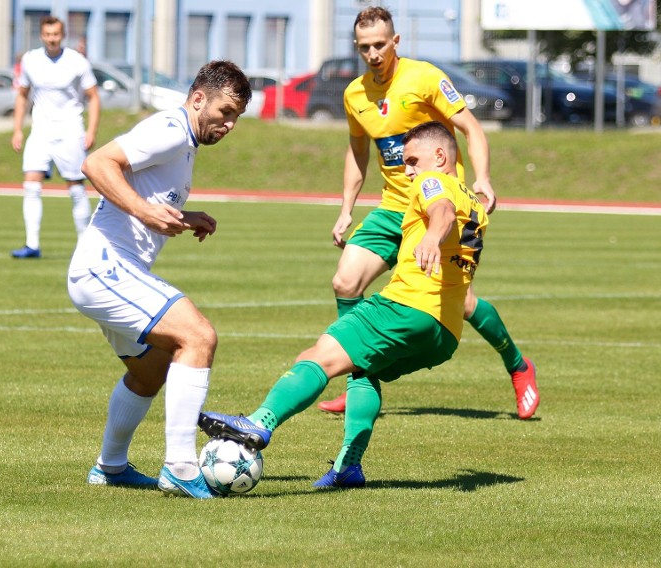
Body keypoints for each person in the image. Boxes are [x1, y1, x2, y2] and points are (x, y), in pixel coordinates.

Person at [198, 121, 488, 488]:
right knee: (363, 371)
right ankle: (348, 466)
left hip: (406, 307)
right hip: (444, 333)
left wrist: (431, 237)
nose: (408, 170)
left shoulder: (436, 183)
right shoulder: (473, 202)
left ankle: (260, 422)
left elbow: (441, 211)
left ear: (441, 156)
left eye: (413, 160)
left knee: (318, 356)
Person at [316, 6, 538, 420]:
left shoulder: (425, 78)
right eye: (365, 47)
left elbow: (471, 128)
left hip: (437, 206)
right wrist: (346, 208)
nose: (374, 53)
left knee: (465, 303)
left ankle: (519, 366)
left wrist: (483, 179)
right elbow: (357, 152)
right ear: (357, 48)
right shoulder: (354, 95)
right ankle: (358, 376)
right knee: (345, 281)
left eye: (381, 44)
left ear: (395, 41)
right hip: (392, 209)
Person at [67, 60, 252, 498]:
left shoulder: (184, 141)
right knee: (199, 337)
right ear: (198, 98)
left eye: (237, 118)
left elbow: (143, 190)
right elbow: (96, 163)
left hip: (111, 271)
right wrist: (145, 211)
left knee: (150, 372)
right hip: (105, 268)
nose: (229, 124)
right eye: (225, 112)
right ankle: (181, 467)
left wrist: (182, 217)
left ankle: (110, 468)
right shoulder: (172, 128)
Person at [10, 15, 101, 259]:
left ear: (63, 35)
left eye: (56, 34)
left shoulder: (77, 61)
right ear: (42, 35)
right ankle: (32, 245)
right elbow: (22, 94)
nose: (52, 39)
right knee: (31, 184)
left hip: (70, 130)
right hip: (40, 131)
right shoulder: (31, 60)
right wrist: (18, 129)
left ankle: (85, 246)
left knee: (75, 187)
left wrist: (91, 130)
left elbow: (93, 96)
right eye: (48, 34)